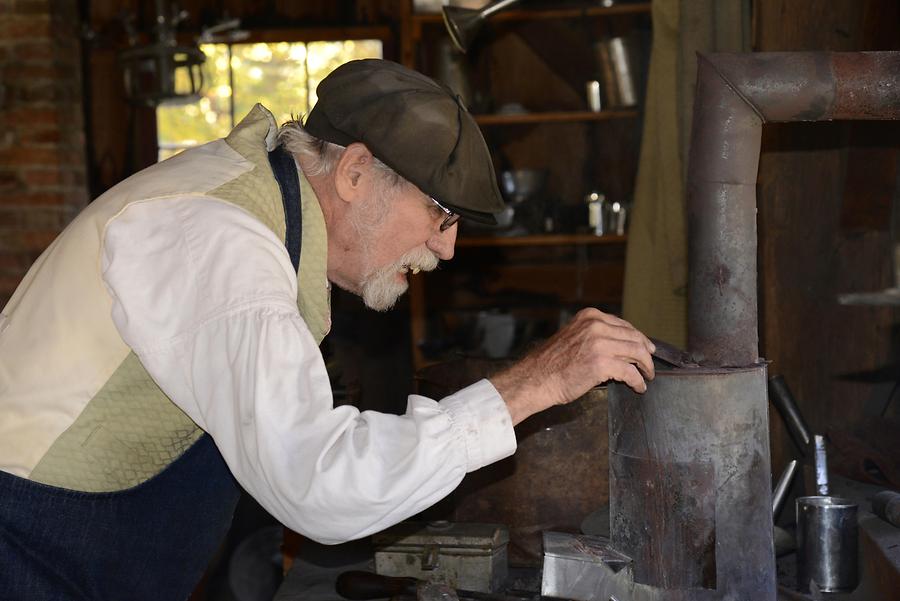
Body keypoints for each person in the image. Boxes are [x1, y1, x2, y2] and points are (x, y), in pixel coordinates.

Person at [0, 59, 655, 599]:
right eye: (441, 214)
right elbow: (319, 483)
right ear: (355, 172)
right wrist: (530, 386)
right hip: (30, 556)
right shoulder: (229, 245)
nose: (447, 248)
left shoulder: (259, 208)